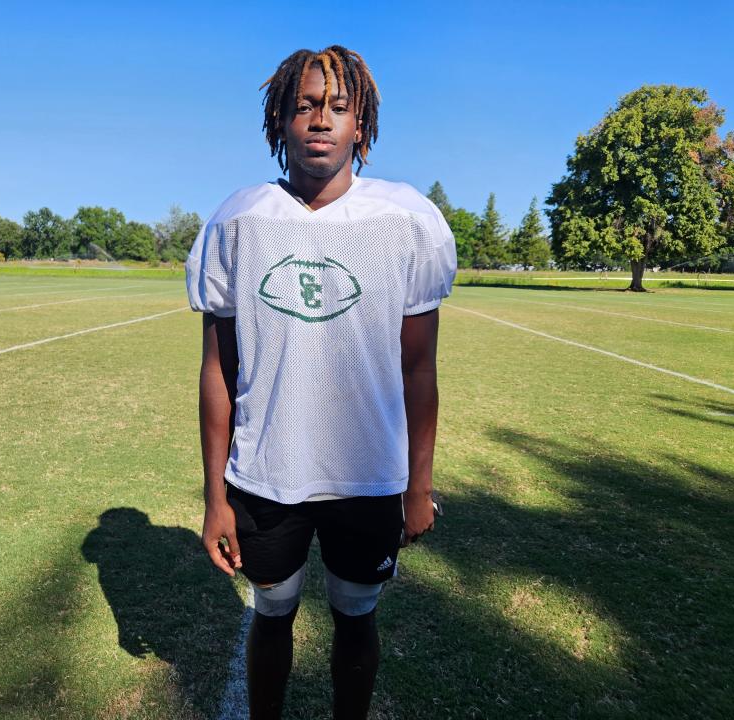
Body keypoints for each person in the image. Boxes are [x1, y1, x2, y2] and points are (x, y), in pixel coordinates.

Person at [185, 45, 456, 720]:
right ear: (279, 119)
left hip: (367, 477)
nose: (320, 119)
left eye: (339, 107)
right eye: (304, 105)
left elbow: (419, 367)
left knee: (356, 623)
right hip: (269, 473)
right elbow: (218, 368)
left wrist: (418, 486)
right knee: (271, 619)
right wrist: (216, 497)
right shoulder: (238, 220)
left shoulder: (406, 219)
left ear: (361, 125)